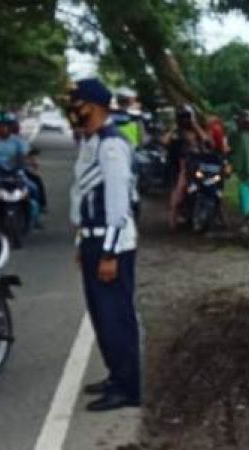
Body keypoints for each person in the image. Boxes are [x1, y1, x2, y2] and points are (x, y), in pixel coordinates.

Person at [67, 78, 141, 412]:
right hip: (94, 242)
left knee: (116, 317)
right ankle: (117, 375)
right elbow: (83, 198)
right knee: (101, 316)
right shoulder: (91, 141)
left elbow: (117, 206)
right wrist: (82, 244)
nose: (73, 110)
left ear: (94, 106)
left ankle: (128, 387)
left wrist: (108, 253)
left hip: (113, 246)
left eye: (78, 104)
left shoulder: (111, 146)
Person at [0, 110, 47, 215]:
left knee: (34, 186)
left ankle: (38, 209)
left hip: (16, 170)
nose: (3, 128)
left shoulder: (17, 140)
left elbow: (27, 152)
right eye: (0, 126)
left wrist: (33, 162)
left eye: (6, 126)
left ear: (10, 127)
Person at [167, 104, 209, 230]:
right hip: (183, 166)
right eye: (183, 117)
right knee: (179, 191)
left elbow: (207, 140)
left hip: (198, 164)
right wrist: (174, 129)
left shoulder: (196, 131)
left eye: (187, 117)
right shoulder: (176, 133)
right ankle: (172, 220)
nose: (185, 120)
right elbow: (166, 141)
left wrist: (195, 125)